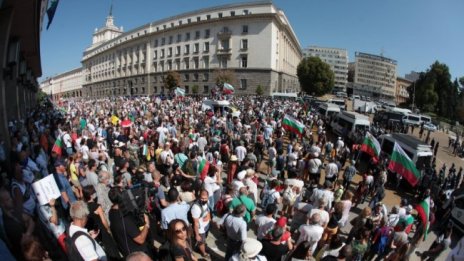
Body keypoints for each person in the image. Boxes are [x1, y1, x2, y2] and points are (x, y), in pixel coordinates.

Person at [108, 187, 152, 258]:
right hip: (137, 255)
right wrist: (147, 224)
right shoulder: (125, 219)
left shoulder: (111, 212)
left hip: (126, 253)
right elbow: (140, 239)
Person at [191, 189, 211, 258]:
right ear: (199, 197)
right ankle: (204, 253)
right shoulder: (195, 208)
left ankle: (201, 245)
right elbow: (195, 223)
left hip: (206, 226)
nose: (204, 200)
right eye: (202, 198)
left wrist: (209, 216)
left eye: (205, 198)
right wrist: (197, 235)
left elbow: (208, 209)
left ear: (208, 197)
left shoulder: (207, 201)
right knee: (201, 242)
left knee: (204, 239)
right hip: (200, 229)